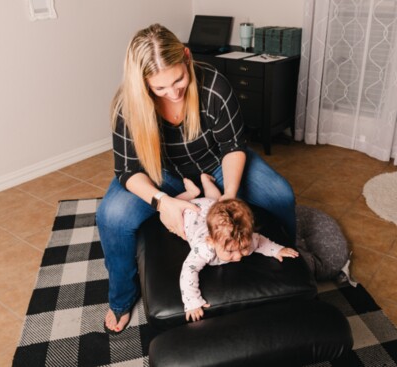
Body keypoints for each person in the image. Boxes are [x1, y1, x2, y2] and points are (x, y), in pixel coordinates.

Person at [96, 23, 296, 335]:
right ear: (142, 83)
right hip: (158, 175)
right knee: (112, 215)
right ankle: (121, 299)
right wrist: (162, 201)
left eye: (178, 80)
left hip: (214, 166)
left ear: (187, 58)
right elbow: (127, 171)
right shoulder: (128, 105)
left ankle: (292, 271)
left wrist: (228, 195)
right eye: (159, 88)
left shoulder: (214, 84)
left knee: (280, 194)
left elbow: (233, 147)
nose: (173, 93)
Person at [177, 174, 299, 322]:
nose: (239, 256)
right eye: (230, 251)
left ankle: (205, 180)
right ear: (212, 241)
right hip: (192, 212)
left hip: (211, 207)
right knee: (176, 208)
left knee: (215, 201)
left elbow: (260, 241)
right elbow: (189, 269)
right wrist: (192, 301)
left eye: (243, 248)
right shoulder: (205, 248)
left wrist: (277, 250)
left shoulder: (247, 238)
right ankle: (191, 193)